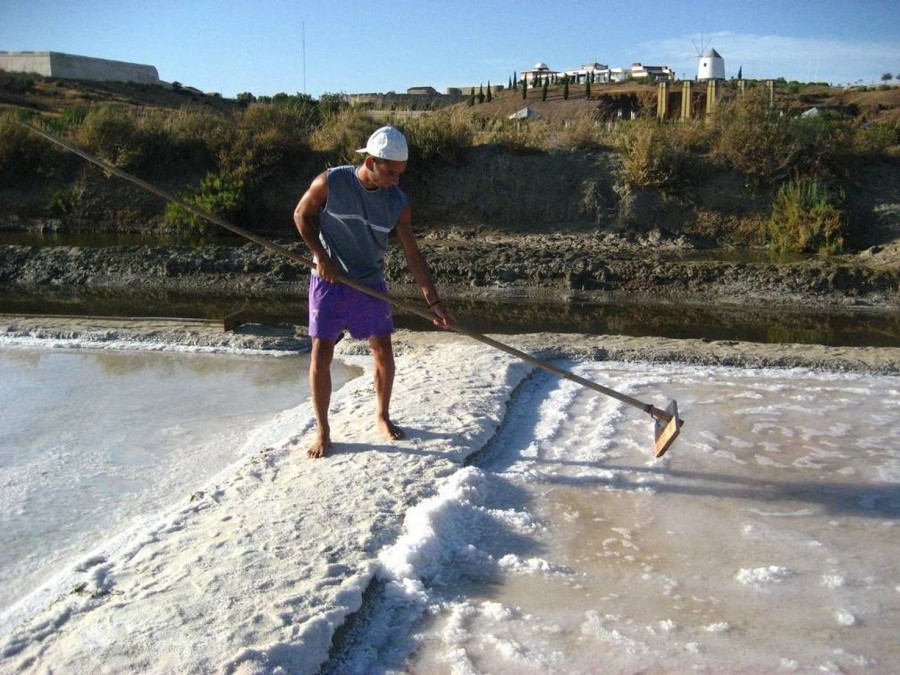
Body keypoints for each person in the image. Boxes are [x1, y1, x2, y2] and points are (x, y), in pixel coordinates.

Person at [293, 126, 453, 459]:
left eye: (400, 173)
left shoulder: (398, 202)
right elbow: (301, 215)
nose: (396, 179)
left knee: (382, 350)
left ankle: (382, 414)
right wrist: (321, 258)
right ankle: (322, 429)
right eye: (391, 172)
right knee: (322, 352)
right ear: (370, 161)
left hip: (370, 282)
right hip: (329, 282)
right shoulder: (331, 182)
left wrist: (433, 302)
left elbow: (412, 254)